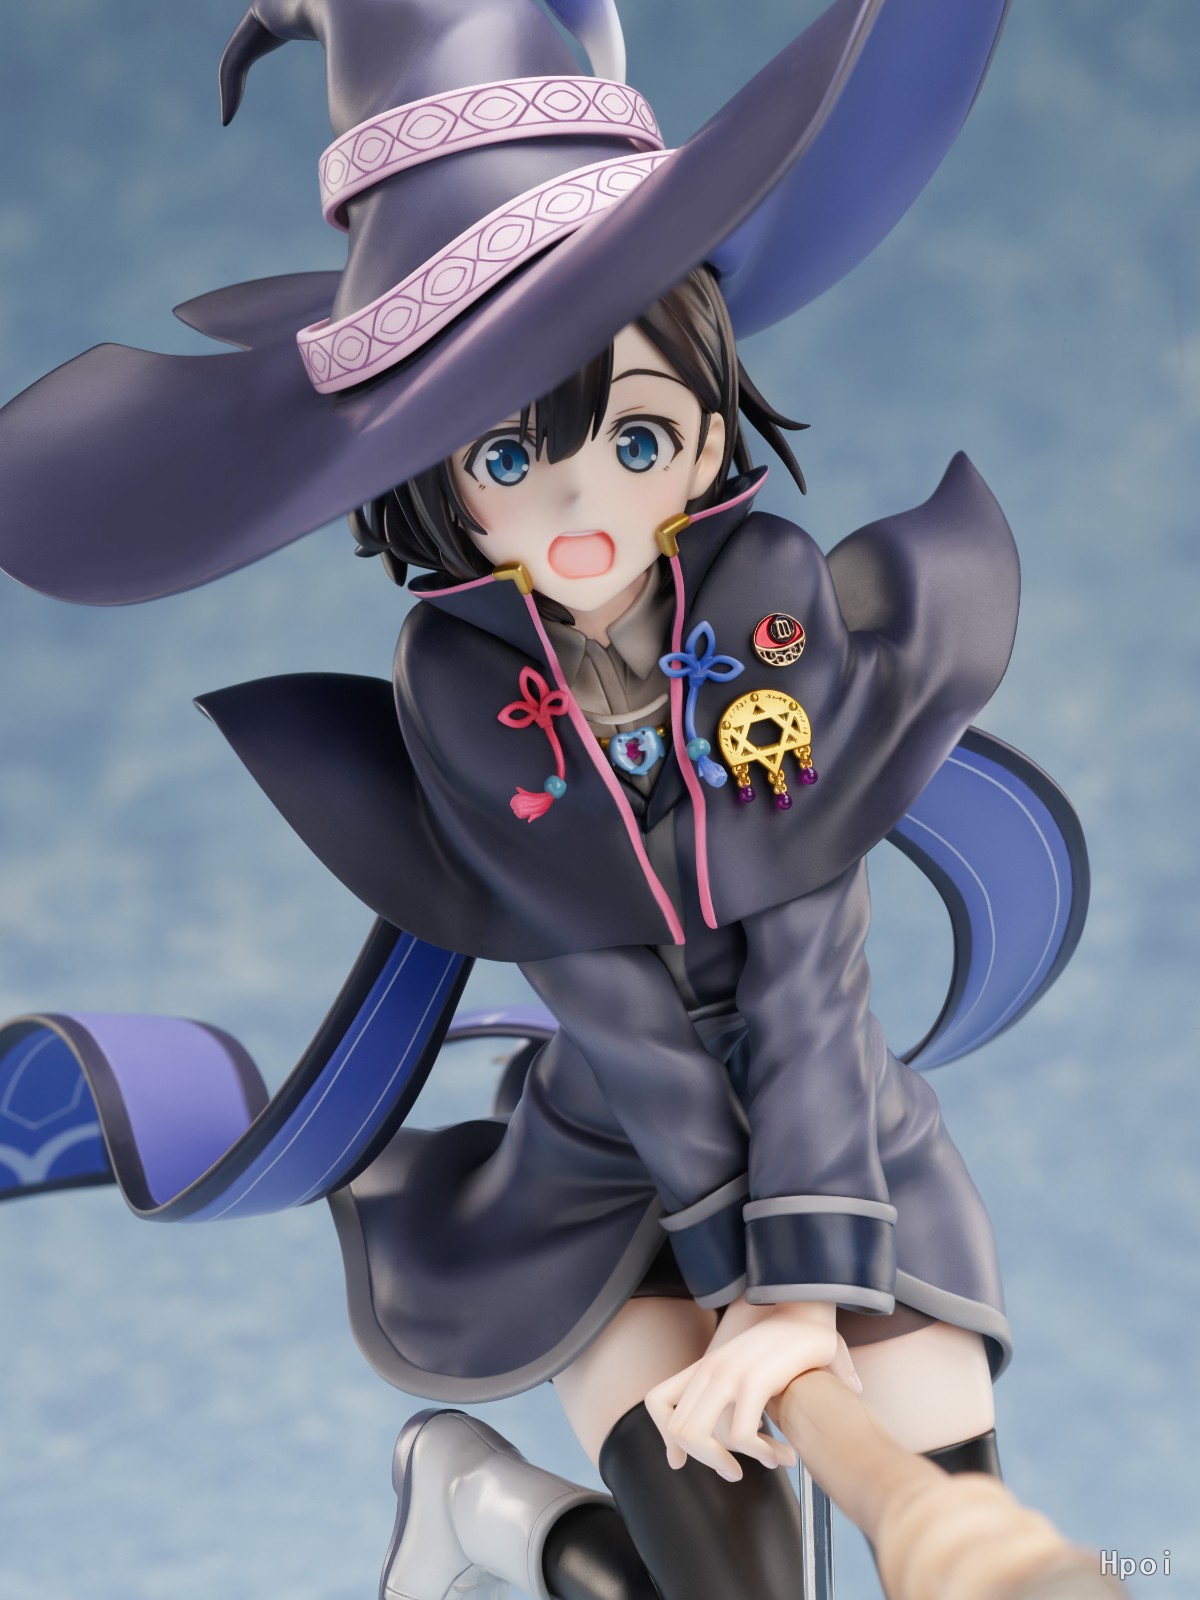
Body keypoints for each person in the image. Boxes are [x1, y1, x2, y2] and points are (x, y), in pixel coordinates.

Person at [0, 2, 1081, 1597]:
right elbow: (610, 991)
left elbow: (804, 956)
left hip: (838, 1130)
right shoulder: (459, 677)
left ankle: (502, 1510)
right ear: (435, 480)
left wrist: (800, 1283)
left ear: (707, 425)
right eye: (505, 460)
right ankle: (498, 1511)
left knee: (944, 1475)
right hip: (613, 1156)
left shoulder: (768, 593)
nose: (581, 505)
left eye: (636, 437)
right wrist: (735, 1288)